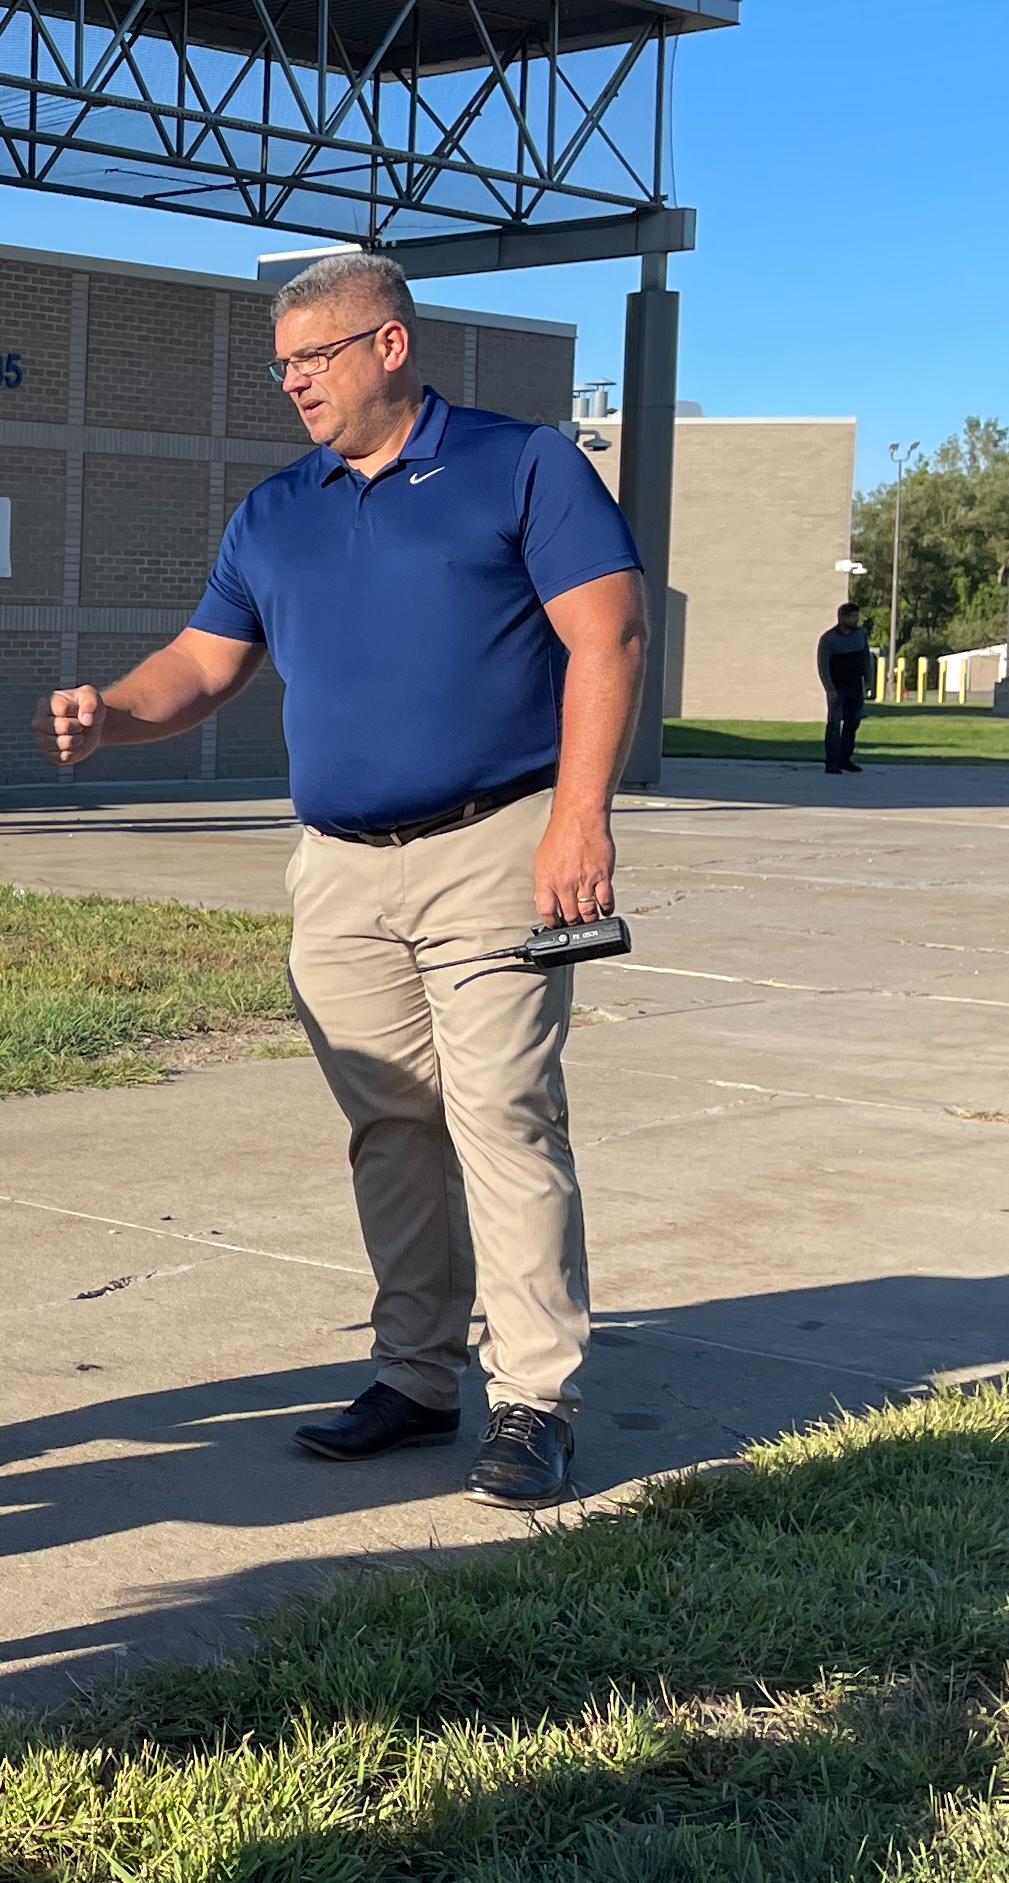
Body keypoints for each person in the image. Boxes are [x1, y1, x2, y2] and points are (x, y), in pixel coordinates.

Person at [44, 250, 646, 1511]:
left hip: (495, 844)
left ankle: (534, 1398)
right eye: (281, 367)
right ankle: (418, 1377)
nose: (293, 386)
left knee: (502, 1115)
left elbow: (611, 634)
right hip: (338, 871)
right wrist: (111, 711)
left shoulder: (521, 463)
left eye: (313, 359)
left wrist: (578, 819)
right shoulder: (277, 511)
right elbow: (200, 668)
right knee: (389, 1124)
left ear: (391, 345)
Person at [818, 603, 875, 773]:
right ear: (842, 617)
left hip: (855, 686)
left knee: (853, 722)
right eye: (852, 617)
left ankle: (845, 758)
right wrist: (830, 689)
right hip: (837, 688)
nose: (855, 620)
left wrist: (869, 679)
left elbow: (866, 657)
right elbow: (823, 665)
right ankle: (832, 762)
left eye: (857, 616)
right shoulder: (829, 639)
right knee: (835, 724)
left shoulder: (861, 635)